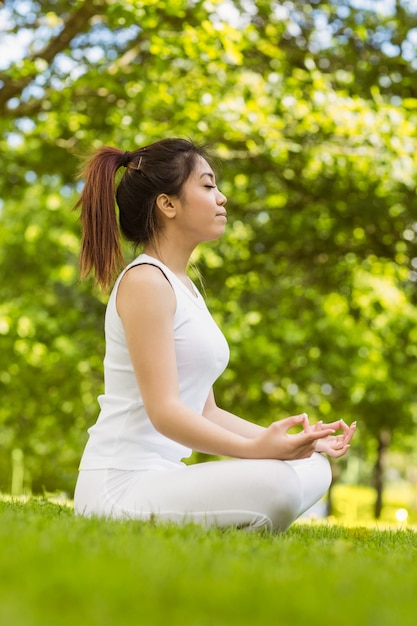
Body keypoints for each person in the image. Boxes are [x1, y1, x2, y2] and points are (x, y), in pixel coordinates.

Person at [73, 138, 356, 532]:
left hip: (162, 477)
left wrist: (296, 443)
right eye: (207, 186)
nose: (222, 198)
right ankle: (245, 523)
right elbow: (165, 411)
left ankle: (242, 521)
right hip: (119, 486)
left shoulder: (184, 286)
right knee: (275, 484)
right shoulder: (145, 282)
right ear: (167, 204)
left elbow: (206, 411)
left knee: (312, 466)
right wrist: (257, 451)